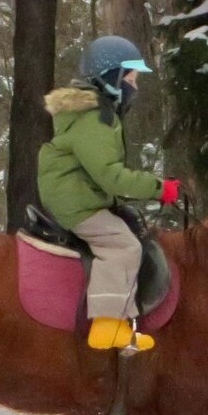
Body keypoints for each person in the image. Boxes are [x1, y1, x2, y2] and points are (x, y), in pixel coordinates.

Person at [37, 35, 181, 352]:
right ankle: (105, 326)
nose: (135, 86)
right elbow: (111, 177)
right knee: (123, 246)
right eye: (131, 77)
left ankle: (123, 324)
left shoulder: (94, 114)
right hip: (76, 202)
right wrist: (160, 189)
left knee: (127, 228)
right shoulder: (95, 118)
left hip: (78, 195)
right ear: (111, 77)